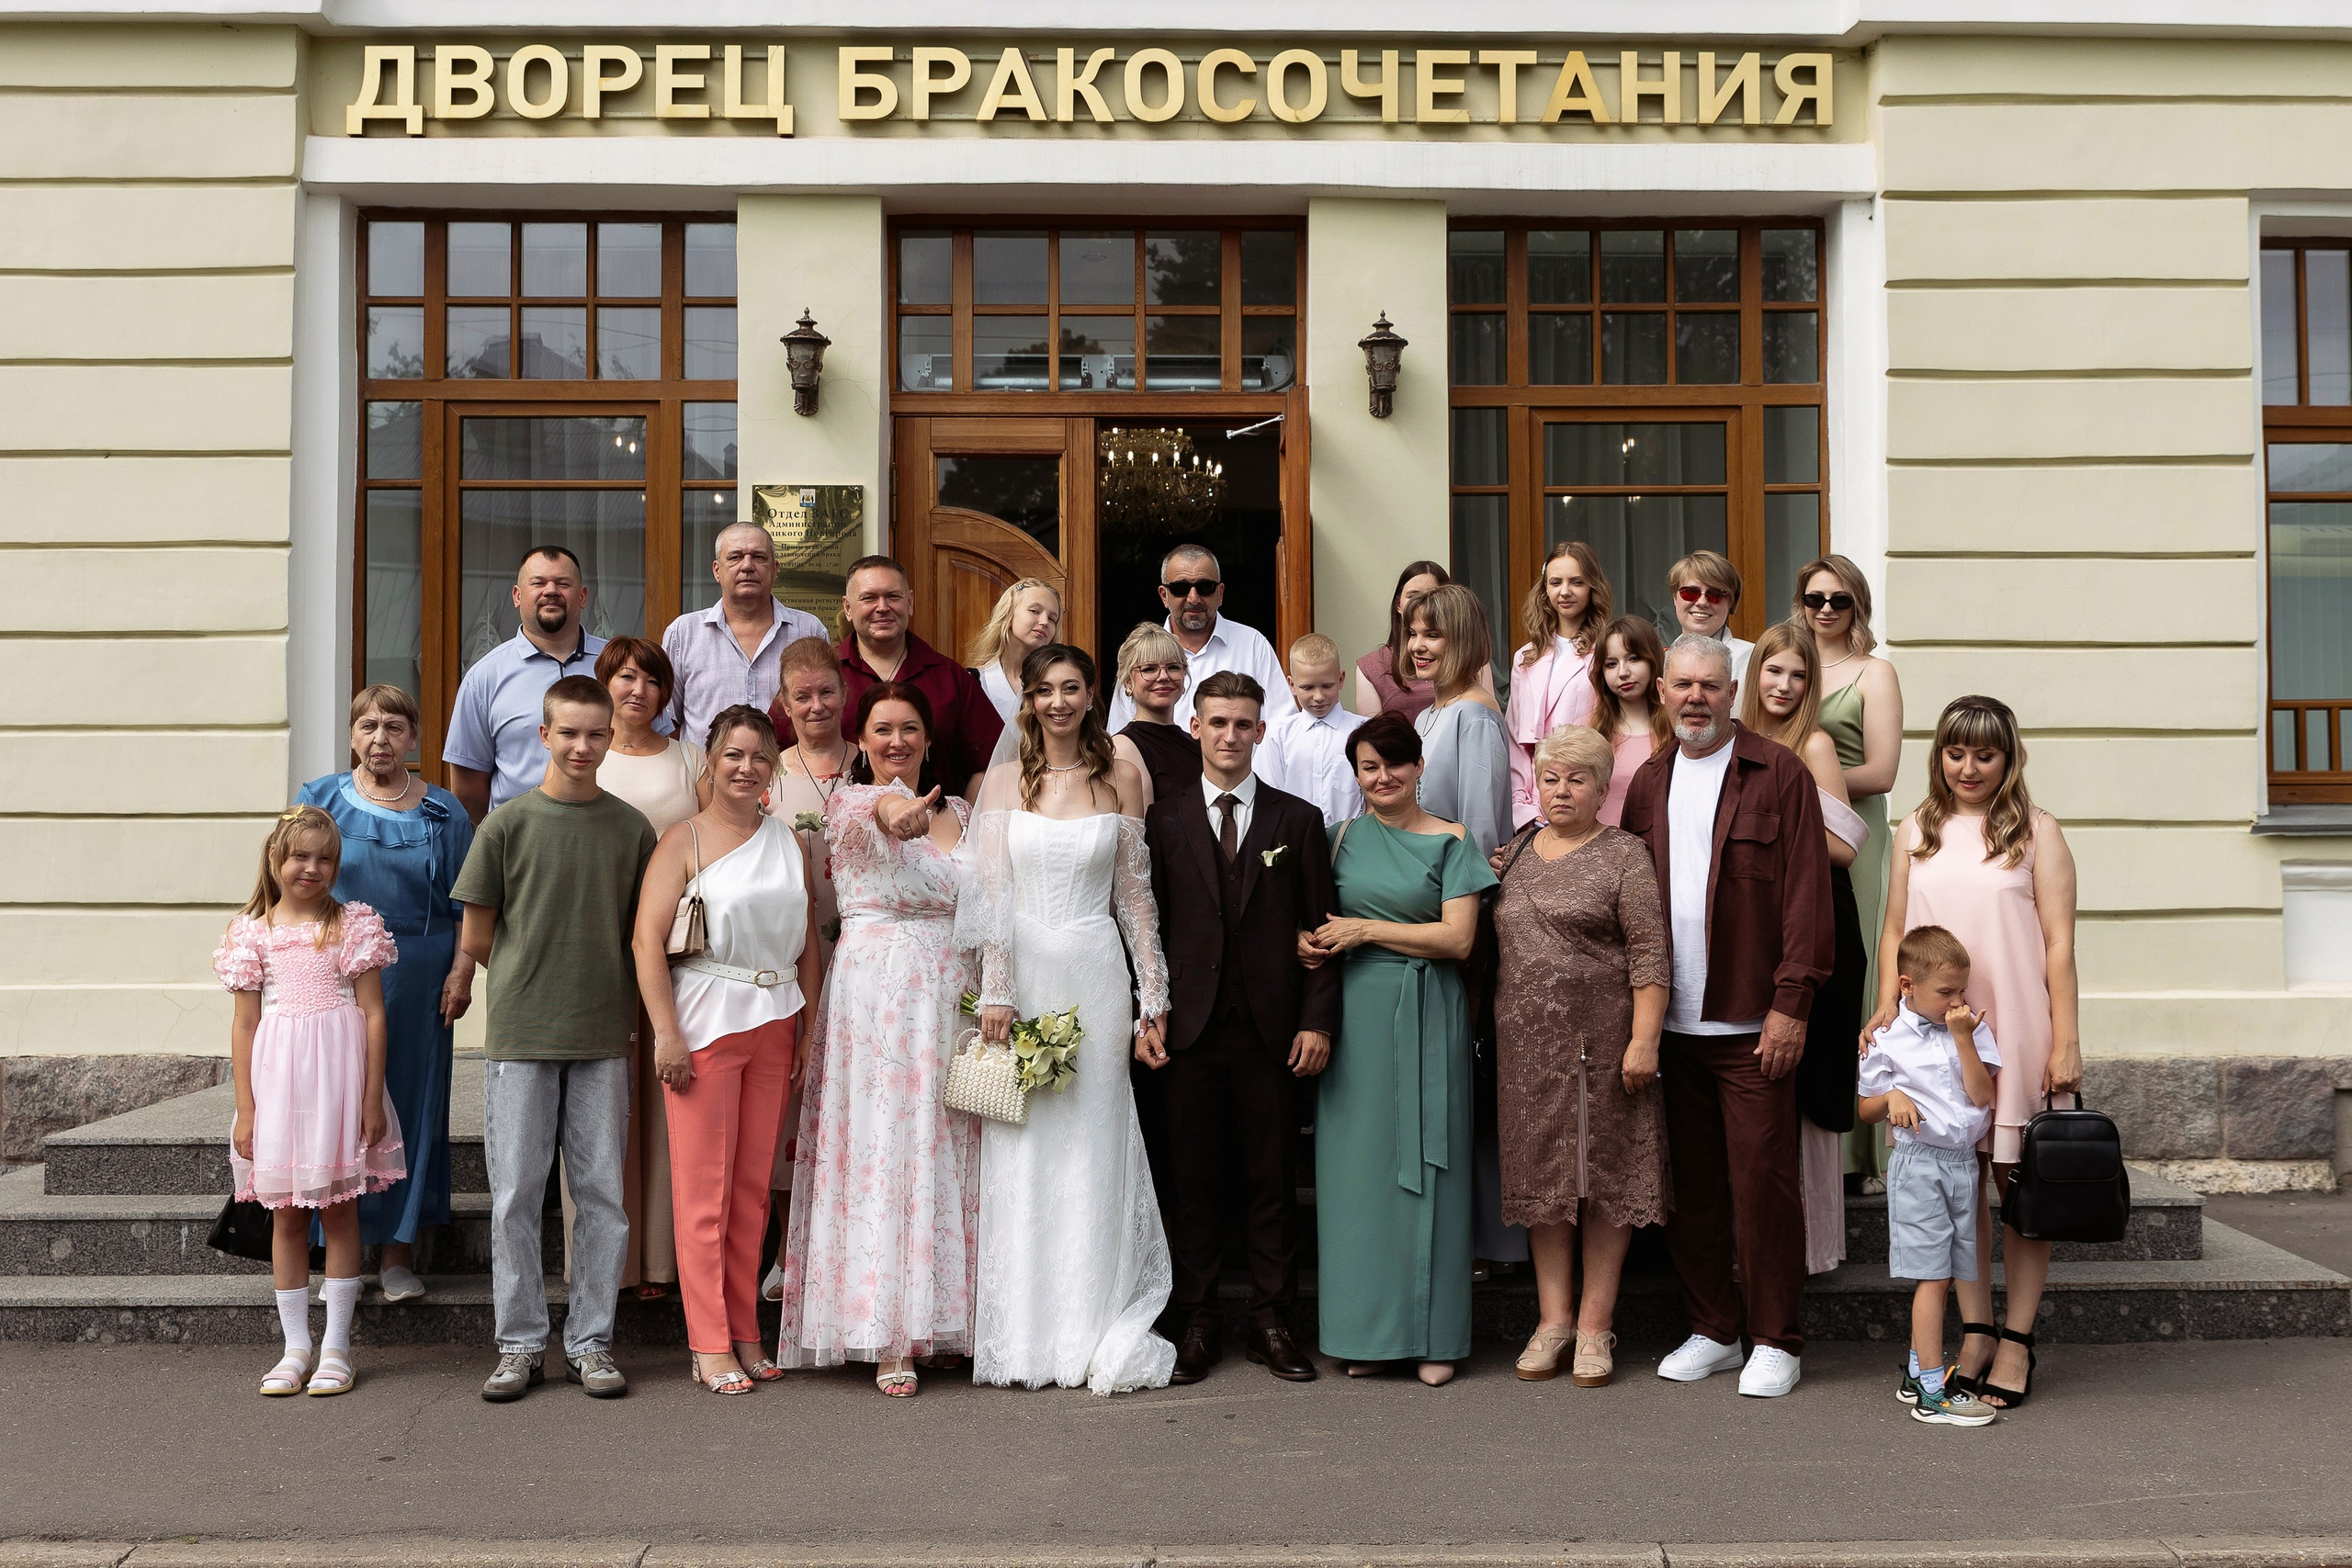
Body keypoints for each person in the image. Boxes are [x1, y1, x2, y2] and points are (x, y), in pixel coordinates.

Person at [1621, 635, 1832, 1400]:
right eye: (1683, 684)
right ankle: (1713, 1328)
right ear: (1664, 691)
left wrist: (1791, 1005)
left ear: (1732, 688)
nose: (1695, 697)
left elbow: (1809, 898)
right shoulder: (1647, 782)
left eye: (1710, 684)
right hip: (1669, 1026)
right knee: (1694, 1188)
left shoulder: (1779, 774)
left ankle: (1777, 1337)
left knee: (1763, 1187)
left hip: (1751, 1025)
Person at [960, 644, 1176, 1394]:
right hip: (1023, 971)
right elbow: (990, 894)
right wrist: (995, 988)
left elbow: (1136, 899)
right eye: (1044, 689)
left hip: (1094, 970)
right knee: (1023, 1145)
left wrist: (1154, 1000)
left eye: (1071, 687)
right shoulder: (1002, 778)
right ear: (1026, 699)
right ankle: (1024, 1333)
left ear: (1092, 694)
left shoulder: (1121, 771)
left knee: (1093, 1142)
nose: (1058, 701)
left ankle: (1091, 1321)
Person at [1867, 695, 2080, 1413]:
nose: (1968, 767)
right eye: (1956, 752)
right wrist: (1884, 1006)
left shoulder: (2037, 832)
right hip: (1932, 1044)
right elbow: (1895, 926)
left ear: (2007, 758)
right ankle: (1976, 1331)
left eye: (1984, 754)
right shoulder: (1913, 829)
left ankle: (2017, 1337)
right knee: (1961, 1187)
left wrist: (2068, 1039)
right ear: (1940, 755)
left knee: (2017, 1189)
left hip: (2015, 1026)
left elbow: (2058, 944)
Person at [453, 675, 658, 1404]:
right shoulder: (505, 826)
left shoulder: (632, 829)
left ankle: (592, 1340)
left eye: (595, 733)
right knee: (513, 1194)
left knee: (600, 1192)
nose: (581, 745)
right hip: (521, 1032)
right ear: (543, 735)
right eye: (568, 732)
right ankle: (519, 1343)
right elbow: (476, 936)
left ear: (611, 737)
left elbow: (646, 933)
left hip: (604, 1032)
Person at [778, 682, 979, 1397]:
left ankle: (944, 1319)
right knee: (884, 1149)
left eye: (911, 729)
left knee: (945, 1148)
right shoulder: (853, 803)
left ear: (929, 737)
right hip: (880, 1001)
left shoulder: (960, 811)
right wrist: (900, 814)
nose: (897, 741)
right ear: (862, 740)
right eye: (883, 729)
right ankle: (887, 1329)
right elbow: (892, 818)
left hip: (951, 998)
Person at [1142, 671, 1338, 1386]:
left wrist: (1317, 1022)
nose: (1230, 735)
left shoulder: (1297, 820)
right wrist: (1149, 1014)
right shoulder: (1162, 820)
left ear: (1261, 731)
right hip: (1189, 1031)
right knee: (1192, 1181)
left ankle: (1271, 1320)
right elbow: (1146, 927)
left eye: (1243, 724)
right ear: (1194, 727)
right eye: (1217, 722)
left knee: (1270, 1182)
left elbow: (1320, 930)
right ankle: (1195, 1319)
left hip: (1272, 1031)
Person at [1302, 714, 1496, 1386]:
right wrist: (1310, 944)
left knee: (1432, 1173)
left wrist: (1367, 930)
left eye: (1395, 765)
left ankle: (1434, 1335)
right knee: (1358, 1182)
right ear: (1355, 775)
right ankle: (1367, 1333)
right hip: (1353, 1022)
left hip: (1426, 1014)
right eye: (1368, 768)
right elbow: (1311, 928)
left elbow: (1459, 940)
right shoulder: (1334, 840)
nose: (1383, 778)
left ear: (1418, 767)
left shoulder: (1453, 840)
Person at [633, 705, 820, 1395]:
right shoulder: (682, 839)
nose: (746, 767)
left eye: (759, 756)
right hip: (706, 1022)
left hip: (775, 1020)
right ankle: (708, 1340)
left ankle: (745, 1328)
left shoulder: (787, 841)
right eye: (733, 755)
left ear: (773, 767)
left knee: (749, 1191)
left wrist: (806, 1025)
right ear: (709, 763)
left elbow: (806, 940)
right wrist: (667, 1033)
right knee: (704, 1191)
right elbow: (645, 941)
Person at [1492, 725, 1669, 1390]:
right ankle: (1553, 1320)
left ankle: (1595, 1325)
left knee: (1606, 1183)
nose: (1561, 790)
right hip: (1525, 1051)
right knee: (1544, 1186)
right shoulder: (1512, 854)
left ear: (1602, 787)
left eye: (1577, 779)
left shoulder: (1626, 854)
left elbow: (1650, 952)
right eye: (1550, 778)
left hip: (1604, 1046)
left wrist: (1644, 1038)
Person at [294, 686, 473, 1305]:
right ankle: (340, 1253)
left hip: (422, 973)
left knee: (410, 1104)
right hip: (337, 971)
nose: (380, 737)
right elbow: (292, 882)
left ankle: (398, 1251)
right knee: (338, 1104)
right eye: (367, 725)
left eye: (394, 726)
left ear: (413, 736)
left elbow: (465, 908)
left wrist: (463, 971)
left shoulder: (446, 812)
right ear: (351, 734)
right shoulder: (318, 799)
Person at [216, 807, 404, 1397]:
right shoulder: (253, 934)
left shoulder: (353, 925)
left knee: (340, 1212)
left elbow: (373, 1013)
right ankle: (295, 1345)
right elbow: (245, 1026)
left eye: (325, 858)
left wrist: (371, 1098)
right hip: (279, 1090)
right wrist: (247, 1109)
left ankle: (336, 1347)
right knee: (288, 1216)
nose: (312, 868)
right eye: (300, 856)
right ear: (275, 860)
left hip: (339, 1086)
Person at [1737, 622, 1872, 1277]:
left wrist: (1765, 833)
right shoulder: (1733, 741)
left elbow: (1846, 846)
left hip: (1820, 923)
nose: (1784, 685)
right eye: (1773, 671)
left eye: (1797, 674)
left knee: (1812, 1085)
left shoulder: (1813, 743)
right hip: (1758, 929)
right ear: (1754, 674)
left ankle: (1814, 1249)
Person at [1404, 583, 1524, 1273]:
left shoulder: (1473, 717)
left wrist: (1465, 922)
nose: (1420, 646)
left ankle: (1488, 1242)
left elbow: (1479, 831)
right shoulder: (1437, 711)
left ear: (1465, 641)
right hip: (1431, 911)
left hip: (1460, 918)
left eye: (1435, 635)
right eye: (1414, 633)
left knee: (1469, 1079)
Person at [586, 636, 707, 1302]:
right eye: (625, 677)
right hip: (598, 948)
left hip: (674, 953)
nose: (637, 689)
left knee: (665, 1103)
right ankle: (609, 1263)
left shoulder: (690, 759)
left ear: (666, 693)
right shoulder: (584, 754)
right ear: (604, 684)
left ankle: (659, 1261)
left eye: (651, 679)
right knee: (603, 1104)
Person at [1860, 924, 2003, 1428]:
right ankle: (1930, 1391)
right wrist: (1891, 1097)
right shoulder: (1887, 1038)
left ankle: (1917, 1371)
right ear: (1907, 986)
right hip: (1919, 1164)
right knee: (1934, 1277)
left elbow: (1983, 1096)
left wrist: (1963, 1037)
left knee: (1959, 1268)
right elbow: (1866, 1109)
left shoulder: (1971, 1028)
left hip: (1963, 1165)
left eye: (1961, 990)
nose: (1956, 1001)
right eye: (1946, 992)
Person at [1797, 555, 1905, 1190]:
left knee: (1859, 976)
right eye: (1816, 599)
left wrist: (1803, 788)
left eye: (1840, 599)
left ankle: (1858, 1151)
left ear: (1857, 604)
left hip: (1854, 839)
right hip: (1791, 841)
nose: (1827, 610)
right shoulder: (1790, 664)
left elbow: (1884, 770)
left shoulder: (1875, 672)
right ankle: (1812, 1135)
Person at [761, 636, 852, 1280]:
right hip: (793, 956)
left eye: (826, 691)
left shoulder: (876, 759)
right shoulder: (767, 774)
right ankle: (787, 1249)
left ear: (844, 693)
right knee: (791, 1104)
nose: (815, 704)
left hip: (867, 954)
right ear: (783, 703)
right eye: (802, 696)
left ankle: (840, 1244)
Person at [770, 555, 1002, 798]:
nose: (882, 607)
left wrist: (965, 824)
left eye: (893, 596)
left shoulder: (951, 678)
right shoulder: (819, 678)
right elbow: (770, 754)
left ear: (910, 602)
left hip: (935, 828)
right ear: (848, 607)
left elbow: (991, 764)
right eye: (869, 598)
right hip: (836, 829)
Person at [444, 545, 605, 823]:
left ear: (582, 596)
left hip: (605, 837)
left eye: (563, 583)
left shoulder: (617, 668)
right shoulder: (484, 678)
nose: (551, 590)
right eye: (538, 583)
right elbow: (468, 793)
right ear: (518, 596)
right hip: (518, 846)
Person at [661, 521, 829, 756]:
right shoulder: (683, 633)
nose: (747, 566)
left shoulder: (809, 630)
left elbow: (825, 713)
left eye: (759, 557)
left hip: (788, 782)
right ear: (717, 570)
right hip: (705, 786)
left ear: (775, 569)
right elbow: (668, 722)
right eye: (735, 557)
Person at [1107, 545, 1295, 730]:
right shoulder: (1140, 653)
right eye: (1181, 588)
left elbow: (1281, 727)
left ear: (1220, 593)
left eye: (1205, 587)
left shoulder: (1252, 645)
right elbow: (1118, 735)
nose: (1193, 598)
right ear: (1164, 595)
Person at [1505, 542, 1611, 829]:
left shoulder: (1607, 654)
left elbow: (1610, 731)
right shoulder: (1525, 658)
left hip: (1586, 803)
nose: (1565, 591)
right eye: (1556, 582)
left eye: (1576, 582)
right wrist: (1523, 809)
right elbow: (1515, 740)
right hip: (1531, 809)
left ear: (1593, 587)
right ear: (1545, 589)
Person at [1350, 560, 1496, 720]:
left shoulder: (1478, 712)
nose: (1423, 604)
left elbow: (1484, 716)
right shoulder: (1424, 718)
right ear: (1398, 604)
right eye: (1413, 634)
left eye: (1432, 635)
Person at [1258, 632, 1370, 829]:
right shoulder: (1277, 734)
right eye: (1308, 687)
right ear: (1292, 685)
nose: (1318, 696)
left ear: (1341, 679)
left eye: (1327, 686)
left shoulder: (1364, 731)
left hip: (1350, 842)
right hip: (1292, 840)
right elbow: (1267, 792)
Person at [1588, 615, 1672, 828]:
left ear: (1653, 660)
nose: (1623, 672)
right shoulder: (1588, 731)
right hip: (1602, 853)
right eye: (1611, 664)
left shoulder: (1677, 728)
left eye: (1634, 659)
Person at [1108, 621, 1201, 809]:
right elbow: (1141, 830)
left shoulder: (1196, 743)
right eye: (1149, 669)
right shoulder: (1123, 748)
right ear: (1127, 682)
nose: (1163, 676)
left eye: (1173, 667)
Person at [967, 577, 1064, 721]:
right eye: (1035, 611)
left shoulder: (1061, 684)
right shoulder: (974, 682)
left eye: (1052, 619)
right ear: (1009, 615)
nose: (1044, 622)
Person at [1665, 549, 1753, 689]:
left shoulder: (1753, 660)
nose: (1702, 602)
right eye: (1690, 592)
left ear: (1731, 602)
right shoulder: (1659, 661)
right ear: (1674, 597)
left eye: (1716, 594)